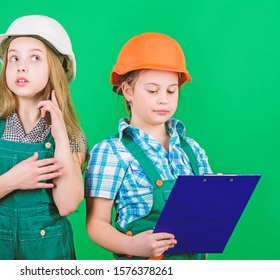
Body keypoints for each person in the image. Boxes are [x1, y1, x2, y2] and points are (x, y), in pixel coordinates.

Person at [0, 15, 87, 260]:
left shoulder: (70, 135)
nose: (21, 66)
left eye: (35, 57)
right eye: (14, 58)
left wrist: (60, 136)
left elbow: (68, 204)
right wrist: (13, 180)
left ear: (54, 68)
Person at [85, 32, 212, 260]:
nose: (163, 99)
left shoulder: (192, 150)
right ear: (128, 91)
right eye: (153, 90)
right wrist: (130, 245)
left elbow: (207, 218)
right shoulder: (111, 152)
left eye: (171, 90)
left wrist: (224, 193)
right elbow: (96, 223)